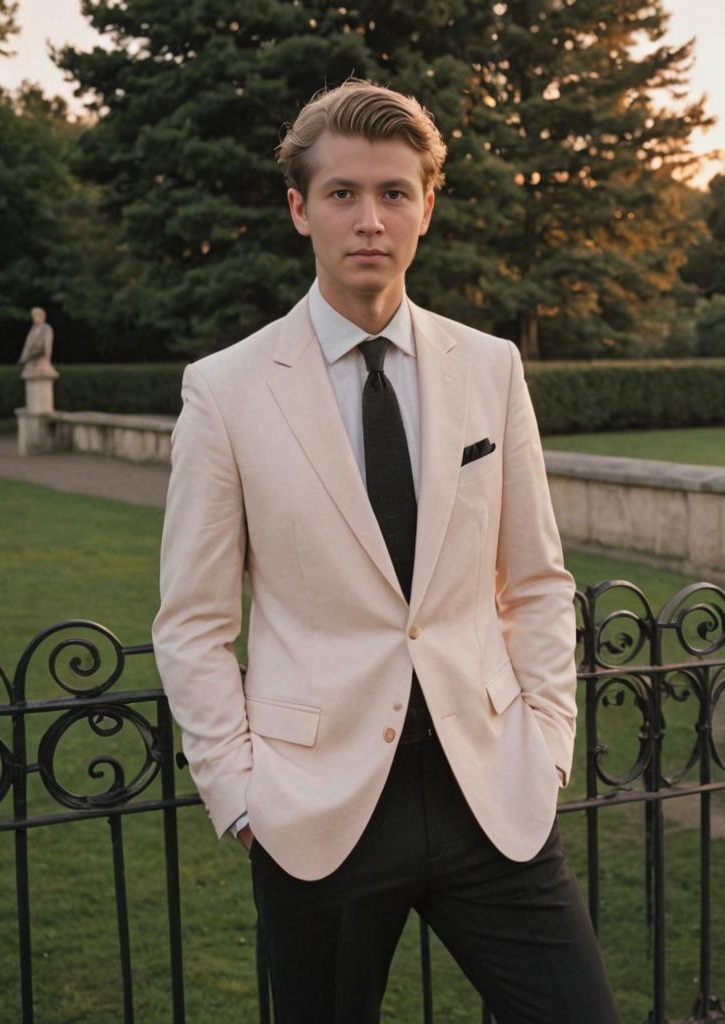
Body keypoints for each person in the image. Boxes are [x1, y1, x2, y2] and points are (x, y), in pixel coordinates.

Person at [152, 79, 620, 1024]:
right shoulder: (226, 390)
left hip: (489, 791)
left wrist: (550, 743)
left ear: (427, 208)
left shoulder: (489, 367)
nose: (370, 218)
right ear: (300, 210)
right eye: (342, 194)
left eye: (394, 193)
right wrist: (242, 799)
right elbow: (194, 623)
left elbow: (534, 580)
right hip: (315, 812)